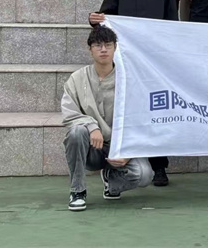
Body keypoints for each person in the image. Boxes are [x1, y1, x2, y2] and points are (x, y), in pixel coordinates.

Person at [89, 0, 177, 187]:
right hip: (125, 60)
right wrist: (94, 20)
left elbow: (171, 20)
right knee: (128, 109)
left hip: (155, 60)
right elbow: (106, 17)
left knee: (157, 110)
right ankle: (122, 161)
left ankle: (159, 166)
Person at [62, 25, 153, 211]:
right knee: (76, 132)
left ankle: (111, 181)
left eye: (108, 45)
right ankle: (77, 191)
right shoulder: (77, 78)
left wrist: (128, 153)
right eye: (98, 45)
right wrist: (91, 126)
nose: (103, 49)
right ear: (90, 49)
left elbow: (141, 117)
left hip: (121, 146)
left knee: (144, 174)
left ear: (115, 47)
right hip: (92, 148)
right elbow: (69, 113)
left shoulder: (129, 79)